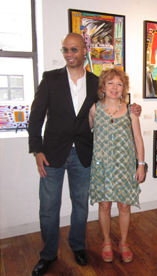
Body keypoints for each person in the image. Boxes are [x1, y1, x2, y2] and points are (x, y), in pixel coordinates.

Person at [28, 33, 141, 276]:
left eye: (74, 49)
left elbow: (113, 103)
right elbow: (35, 117)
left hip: (83, 154)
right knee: (48, 207)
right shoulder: (50, 79)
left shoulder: (94, 82)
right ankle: (48, 254)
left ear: (84, 50)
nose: (69, 54)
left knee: (80, 205)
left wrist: (134, 107)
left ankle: (78, 246)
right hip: (52, 154)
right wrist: (37, 149)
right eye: (65, 50)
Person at [88, 67, 145, 263]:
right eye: (110, 83)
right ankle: (106, 241)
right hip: (102, 167)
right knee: (104, 205)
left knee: (124, 206)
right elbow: (85, 135)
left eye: (119, 84)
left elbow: (138, 139)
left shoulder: (131, 110)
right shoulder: (94, 109)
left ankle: (123, 241)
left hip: (125, 167)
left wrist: (141, 165)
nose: (115, 87)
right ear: (103, 86)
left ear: (124, 88)